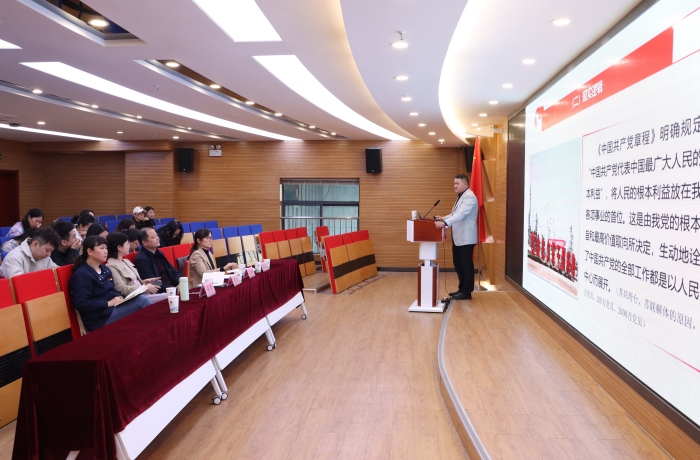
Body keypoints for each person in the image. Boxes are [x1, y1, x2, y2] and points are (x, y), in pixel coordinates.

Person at [69, 236, 152, 332]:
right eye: (101, 248)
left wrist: (121, 298)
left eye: (106, 248)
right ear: (90, 251)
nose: (105, 251)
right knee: (141, 301)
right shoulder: (81, 275)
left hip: (114, 308)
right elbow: (82, 304)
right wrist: (108, 303)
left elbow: (112, 290)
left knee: (140, 299)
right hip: (100, 318)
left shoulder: (105, 269)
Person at [434, 173, 478, 300]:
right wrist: (443, 218)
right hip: (459, 238)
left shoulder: (470, 197)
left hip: (466, 238)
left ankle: (467, 292)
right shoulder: (461, 197)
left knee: (466, 265)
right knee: (458, 264)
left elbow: (461, 214)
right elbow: (454, 214)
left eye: (457, 183)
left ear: (465, 184)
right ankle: (461, 289)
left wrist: (445, 223)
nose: (455, 186)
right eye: (454, 183)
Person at [105, 232, 166, 302]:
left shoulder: (126, 261)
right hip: (134, 298)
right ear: (119, 247)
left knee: (166, 290)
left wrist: (145, 282)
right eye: (127, 244)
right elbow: (121, 289)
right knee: (169, 296)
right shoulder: (111, 266)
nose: (129, 246)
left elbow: (134, 282)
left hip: (143, 293)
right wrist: (145, 288)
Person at [133, 228, 181, 292]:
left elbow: (173, 271)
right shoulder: (141, 260)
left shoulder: (159, 253)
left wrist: (179, 283)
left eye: (157, 235)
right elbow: (153, 282)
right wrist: (173, 289)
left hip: (172, 287)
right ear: (144, 242)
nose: (157, 238)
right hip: (161, 292)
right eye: (153, 237)